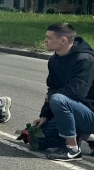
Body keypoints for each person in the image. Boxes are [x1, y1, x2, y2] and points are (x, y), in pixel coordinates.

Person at [29, 23, 94, 161]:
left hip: (89, 113)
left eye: (49, 38)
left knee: (58, 99)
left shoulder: (85, 59)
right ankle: (88, 137)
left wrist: (53, 95)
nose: (45, 41)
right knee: (37, 139)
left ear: (63, 40)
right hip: (71, 111)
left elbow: (77, 93)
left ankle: (73, 149)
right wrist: (45, 115)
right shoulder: (54, 60)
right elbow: (51, 88)